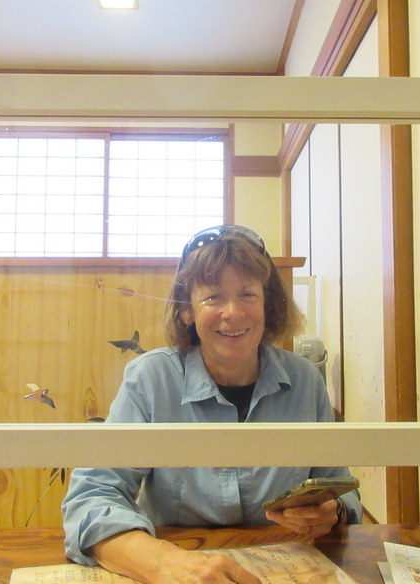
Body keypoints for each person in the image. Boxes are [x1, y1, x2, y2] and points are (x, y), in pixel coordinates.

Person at [62, 224, 362, 583]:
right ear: (186, 310)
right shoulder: (151, 378)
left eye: (247, 294)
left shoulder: (305, 380)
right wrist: (162, 563)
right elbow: (92, 497)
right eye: (213, 298)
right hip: (179, 566)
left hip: (286, 567)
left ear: (267, 304)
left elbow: (341, 489)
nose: (232, 312)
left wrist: (331, 510)